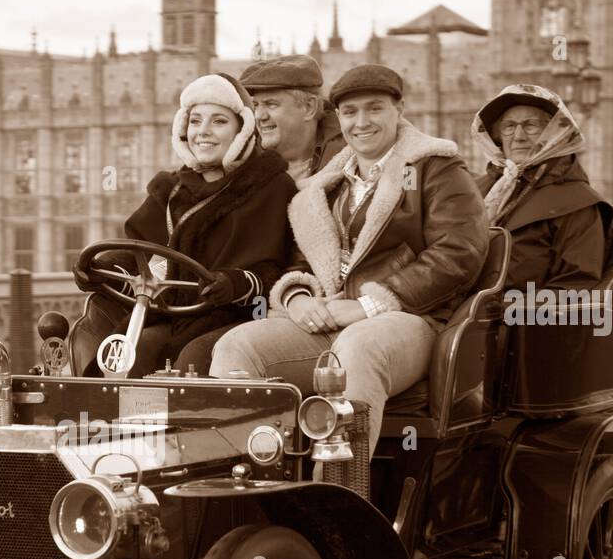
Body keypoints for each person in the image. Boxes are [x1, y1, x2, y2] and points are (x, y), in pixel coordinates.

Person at [208, 64, 489, 454]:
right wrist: (298, 298)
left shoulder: (436, 168)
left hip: (413, 320)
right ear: (338, 118)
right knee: (237, 346)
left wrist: (369, 305)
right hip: (332, 317)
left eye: (374, 109)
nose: (361, 122)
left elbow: (459, 252)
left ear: (399, 109)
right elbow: (300, 262)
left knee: (358, 348)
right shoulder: (329, 182)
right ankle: (248, 481)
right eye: (350, 112)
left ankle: (343, 491)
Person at [69, 72, 296, 377]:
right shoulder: (172, 188)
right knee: (124, 353)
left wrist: (234, 283)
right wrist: (100, 269)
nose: (203, 132)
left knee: (192, 358)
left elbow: (273, 270)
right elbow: (139, 251)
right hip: (171, 314)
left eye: (218, 121)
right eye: (195, 121)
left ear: (242, 130)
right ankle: (108, 420)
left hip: (239, 317)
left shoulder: (272, 187)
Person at [472, 83, 612, 294]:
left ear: (555, 133)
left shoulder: (577, 202)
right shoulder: (476, 190)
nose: (518, 136)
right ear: (497, 135)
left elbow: (575, 286)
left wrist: (501, 310)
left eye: (531, 125)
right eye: (509, 126)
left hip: (510, 319)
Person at [239, 54, 346, 187]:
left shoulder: (352, 161)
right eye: (256, 105)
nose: (259, 116)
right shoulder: (240, 163)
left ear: (309, 107)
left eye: (271, 104)